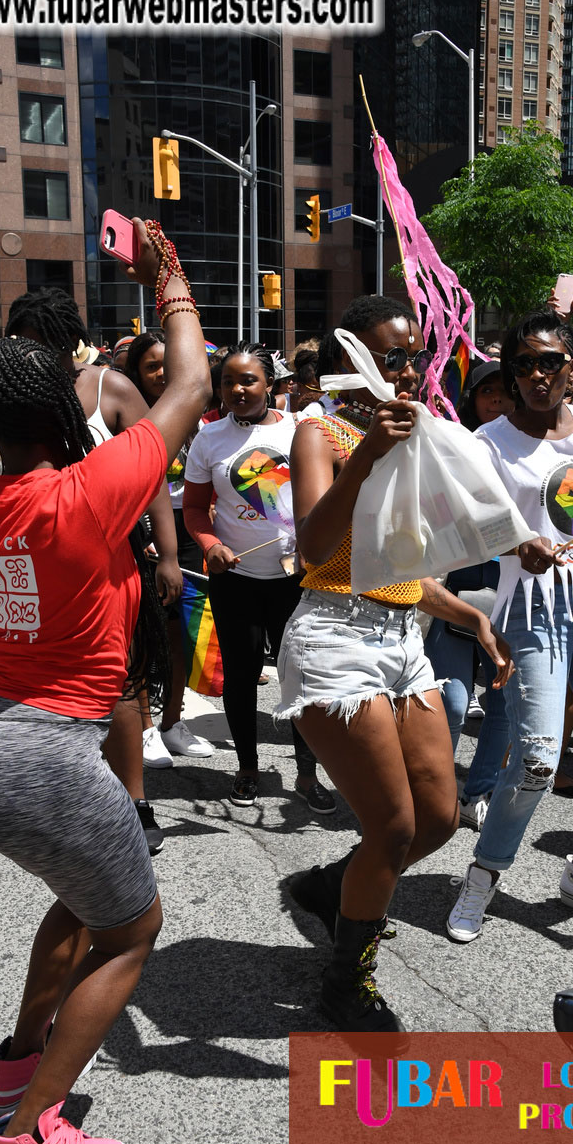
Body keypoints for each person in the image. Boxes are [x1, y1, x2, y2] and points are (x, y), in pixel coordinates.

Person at [0, 217, 210, 1144]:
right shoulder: (92, 487)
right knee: (135, 927)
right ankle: (26, 1135)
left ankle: (14, 1068)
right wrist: (170, 281)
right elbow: (192, 384)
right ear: (68, 414)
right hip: (41, 755)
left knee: (84, 903)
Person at [278, 295, 515, 1031]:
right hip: (334, 641)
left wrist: (469, 614)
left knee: (439, 818)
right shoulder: (321, 431)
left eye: (415, 356)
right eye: (392, 357)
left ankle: (331, 885)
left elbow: (402, 567)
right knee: (393, 828)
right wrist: (369, 455)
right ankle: (346, 983)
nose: (408, 371)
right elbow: (316, 548)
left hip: (403, 639)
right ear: (354, 361)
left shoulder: (416, 435)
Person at [446, 307, 573, 944]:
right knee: (534, 758)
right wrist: (515, 539)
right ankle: (483, 875)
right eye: (523, 363)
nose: (536, 373)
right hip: (534, 609)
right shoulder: (488, 443)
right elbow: (465, 522)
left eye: (549, 361)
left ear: (572, 364)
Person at [0, 287, 185, 850]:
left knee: (121, 683)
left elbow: (151, 470)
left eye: (43, 347)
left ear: (70, 344)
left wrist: (170, 554)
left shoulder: (109, 387)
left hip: (110, 555)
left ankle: (134, 802)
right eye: (21, 345)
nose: (30, 358)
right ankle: (62, 796)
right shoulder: (7, 397)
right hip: (29, 555)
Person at [183, 343, 335, 812]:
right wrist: (212, 546)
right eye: (228, 381)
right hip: (237, 579)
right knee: (242, 676)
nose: (237, 389)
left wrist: (317, 550)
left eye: (248, 380)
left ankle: (307, 776)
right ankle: (247, 769)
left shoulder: (301, 431)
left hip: (295, 579)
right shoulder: (209, 439)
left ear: (271, 383)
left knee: (300, 680)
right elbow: (192, 508)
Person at [424, 359, 514, 830]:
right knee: (453, 705)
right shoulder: (451, 449)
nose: (495, 400)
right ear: (472, 399)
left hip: (510, 601)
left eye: (503, 392)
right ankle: (436, 793)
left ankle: (478, 791)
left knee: (501, 705)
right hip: (453, 599)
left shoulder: (526, 452)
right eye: (487, 392)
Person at [122, 329, 213, 759]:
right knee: (144, 633)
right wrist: (152, 540)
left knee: (184, 634)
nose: (161, 373)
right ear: (136, 373)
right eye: (151, 366)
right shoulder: (129, 415)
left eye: (168, 364)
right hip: (142, 531)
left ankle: (173, 722)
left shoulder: (196, 416)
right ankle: (144, 729)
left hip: (190, 530)